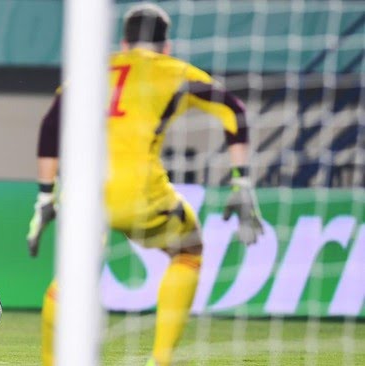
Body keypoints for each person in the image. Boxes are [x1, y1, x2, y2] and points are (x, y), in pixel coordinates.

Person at [26, 3, 264, 365]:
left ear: (124, 43)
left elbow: (49, 125)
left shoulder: (91, 71)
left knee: (73, 278)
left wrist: (45, 198)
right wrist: (241, 182)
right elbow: (235, 111)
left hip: (84, 193)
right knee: (188, 251)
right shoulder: (173, 71)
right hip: (139, 191)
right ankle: (161, 360)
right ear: (166, 45)